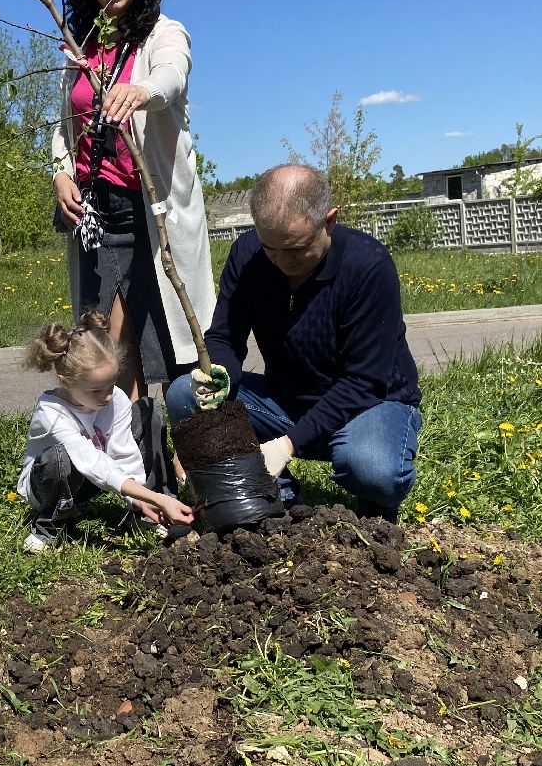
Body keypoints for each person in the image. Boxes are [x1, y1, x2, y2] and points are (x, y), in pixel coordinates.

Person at [165, 164, 423, 522]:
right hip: (287, 401)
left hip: (370, 405)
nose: (283, 261)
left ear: (329, 222)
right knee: (183, 394)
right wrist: (221, 374)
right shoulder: (249, 256)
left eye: (296, 249)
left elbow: (363, 381)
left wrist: (287, 444)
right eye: (271, 249)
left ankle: (376, 509)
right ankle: (272, 497)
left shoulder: (368, 267)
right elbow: (224, 335)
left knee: (373, 468)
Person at [50, 0, 215, 402]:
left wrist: (141, 89)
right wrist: (61, 171)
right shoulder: (80, 51)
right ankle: (135, 457)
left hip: (150, 209)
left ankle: (186, 459)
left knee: (165, 341)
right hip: (96, 214)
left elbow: (172, 77)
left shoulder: (164, 34)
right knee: (109, 344)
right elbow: (64, 126)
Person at [18, 312, 193, 554]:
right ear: (65, 382)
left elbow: (123, 452)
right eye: (97, 390)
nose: (107, 396)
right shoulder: (52, 413)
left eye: (111, 385)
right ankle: (49, 525)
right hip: (52, 483)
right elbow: (90, 462)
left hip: (96, 476)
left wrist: (140, 499)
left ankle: (145, 513)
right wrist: (156, 499)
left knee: (147, 409)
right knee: (59, 458)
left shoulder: (114, 399)